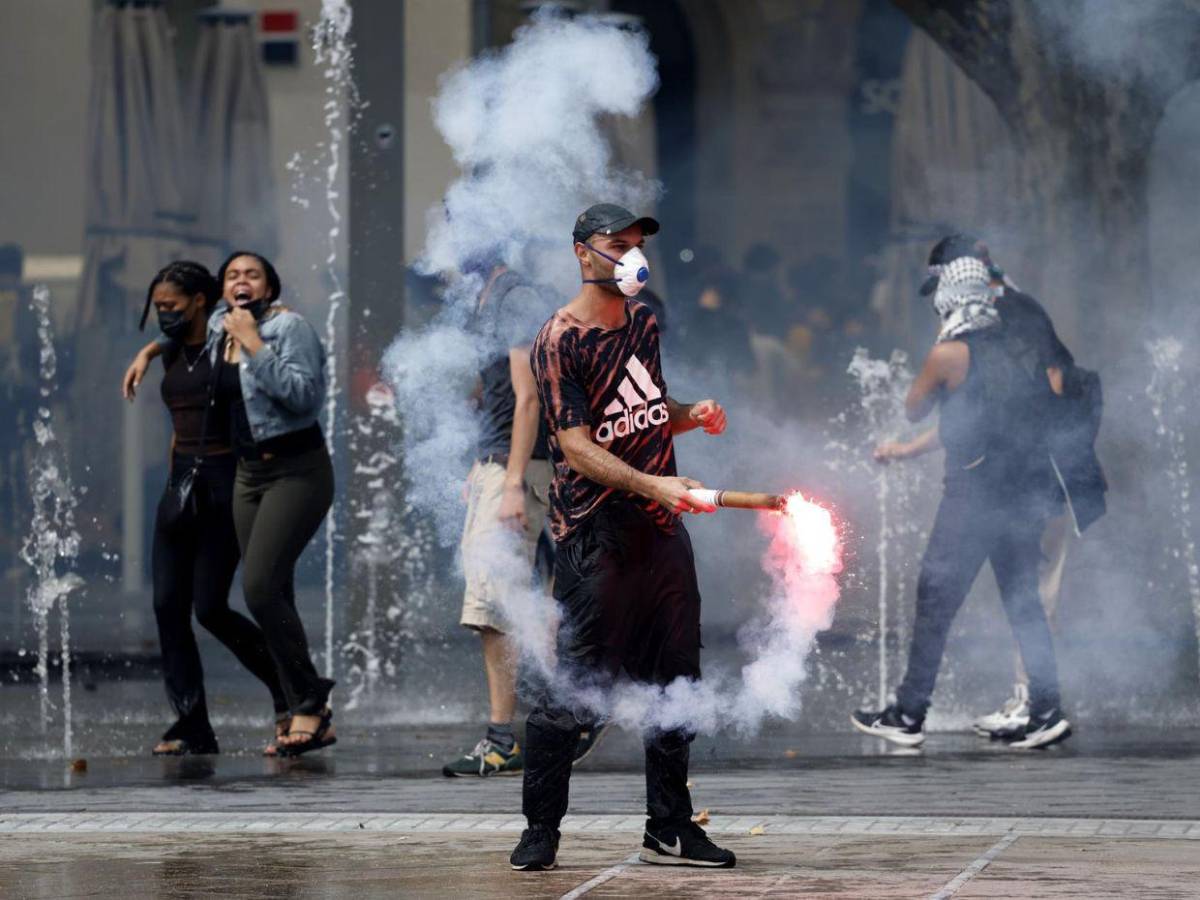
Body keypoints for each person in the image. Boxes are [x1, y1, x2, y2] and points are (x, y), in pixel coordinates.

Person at [509, 203, 736, 871]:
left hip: (660, 529)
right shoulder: (560, 339)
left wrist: (692, 414)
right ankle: (540, 830)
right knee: (576, 687)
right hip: (595, 534)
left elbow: (648, 409)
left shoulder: (642, 322)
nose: (633, 255)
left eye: (638, 244)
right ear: (583, 253)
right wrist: (653, 484)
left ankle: (669, 828)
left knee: (676, 680)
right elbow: (576, 448)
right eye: (618, 243)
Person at [874, 234, 1104, 739]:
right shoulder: (1008, 339)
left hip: (989, 490)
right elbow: (985, 418)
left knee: (941, 594)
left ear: (950, 291)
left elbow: (919, 409)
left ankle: (912, 713)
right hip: (1023, 487)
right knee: (1023, 598)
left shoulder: (965, 343)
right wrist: (908, 451)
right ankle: (1045, 710)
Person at [123, 251, 336, 757]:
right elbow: (183, 334)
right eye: (233, 275)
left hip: (292, 468)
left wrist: (255, 343)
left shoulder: (287, 328)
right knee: (268, 591)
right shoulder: (220, 325)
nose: (241, 281)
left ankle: (309, 700)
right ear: (221, 291)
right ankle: (291, 709)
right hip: (246, 474)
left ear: (269, 286)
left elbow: (304, 398)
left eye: (252, 274)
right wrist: (150, 350)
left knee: (255, 589)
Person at [442, 259, 606, 776]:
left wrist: (511, 481)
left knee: (495, 602)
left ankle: (510, 735)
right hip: (504, 464)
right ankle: (571, 709)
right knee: (524, 602)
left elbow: (528, 399)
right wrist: (484, 461)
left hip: (519, 470)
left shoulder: (513, 296)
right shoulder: (489, 299)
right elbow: (496, 398)